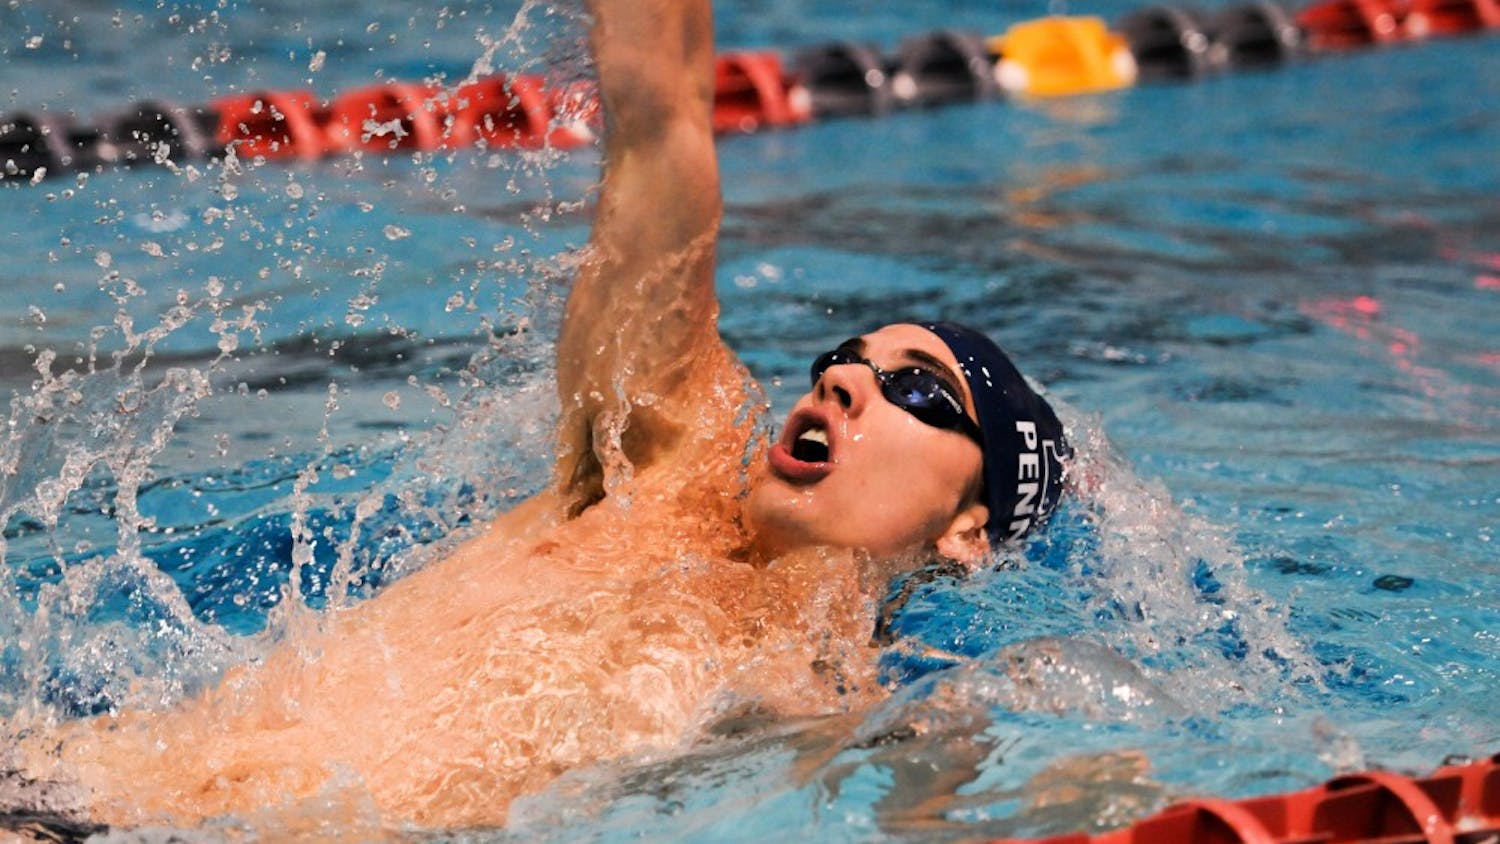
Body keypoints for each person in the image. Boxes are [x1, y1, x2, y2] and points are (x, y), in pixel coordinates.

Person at [12, 0, 1068, 832]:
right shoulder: (665, 465)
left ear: (968, 526)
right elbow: (660, 126)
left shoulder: (847, 704)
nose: (845, 382)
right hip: (68, 788)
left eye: (917, 388)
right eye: (844, 360)